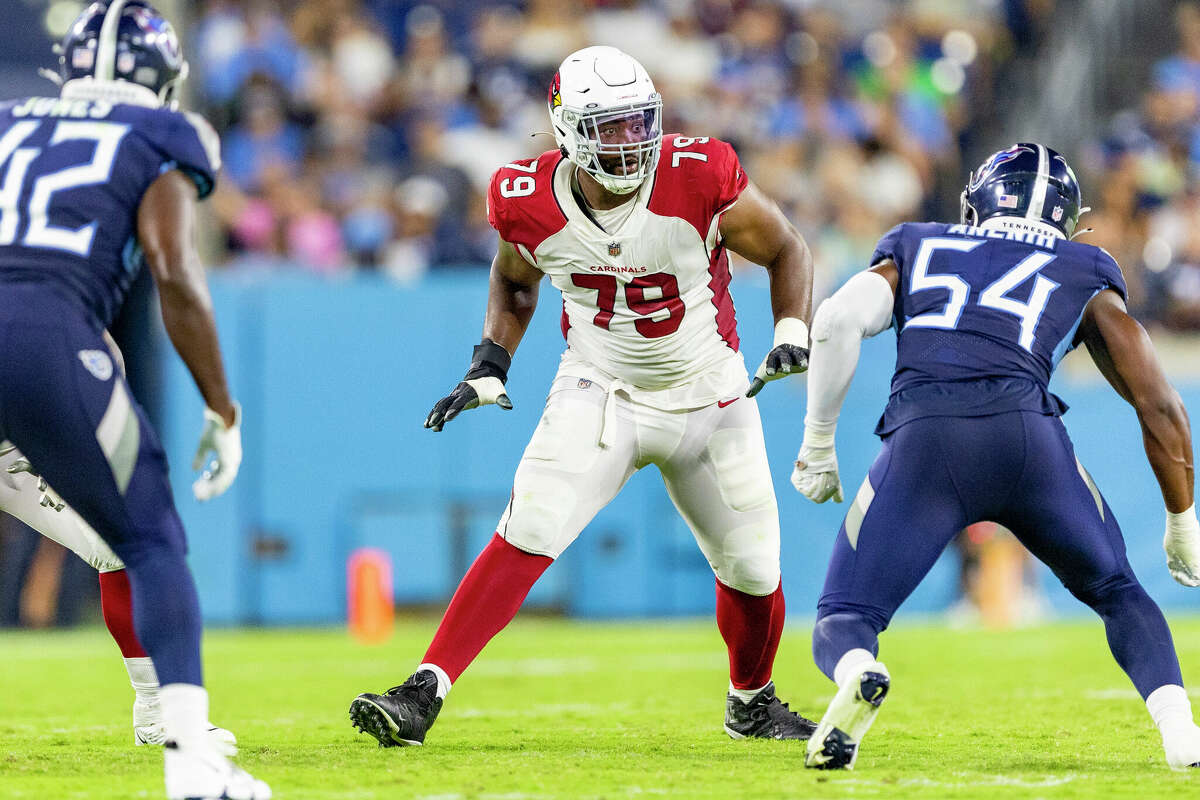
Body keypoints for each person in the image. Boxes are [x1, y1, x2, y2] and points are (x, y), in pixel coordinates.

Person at [350, 46, 817, 747]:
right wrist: (489, 363)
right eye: (612, 128)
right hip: (602, 389)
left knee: (753, 568)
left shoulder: (700, 173)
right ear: (567, 130)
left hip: (711, 395)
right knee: (529, 525)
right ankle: (423, 692)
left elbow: (788, 248)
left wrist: (791, 331)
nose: (632, 144)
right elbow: (515, 280)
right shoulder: (524, 196)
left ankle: (751, 701)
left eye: (639, 124)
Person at [791, 142, 1200, 771]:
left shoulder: (918, 242)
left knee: (845, 615)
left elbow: (836, 320)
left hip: (926, 438)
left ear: (978, 200)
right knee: (1119, 590)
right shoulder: (1083, 266)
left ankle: (859, 672)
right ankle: (1181, 735)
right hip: (1025, 438)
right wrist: (1181, 520)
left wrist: (818, 441)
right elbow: (1160, 403)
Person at [0, 2, 269, 797]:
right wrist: (222, 406)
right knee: (150, 537)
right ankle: (192, 766)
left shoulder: (11, 118)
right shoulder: (165, 133)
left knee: (111, 542)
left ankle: (158, 707)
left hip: (38, 332)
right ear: (166, 76)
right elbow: (174, 271)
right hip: (36, 333)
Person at [0, 331, 232, 748]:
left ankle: (157, 711)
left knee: (117, 544)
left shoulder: (63, 307)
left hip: (14, 451)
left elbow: (101, 359)